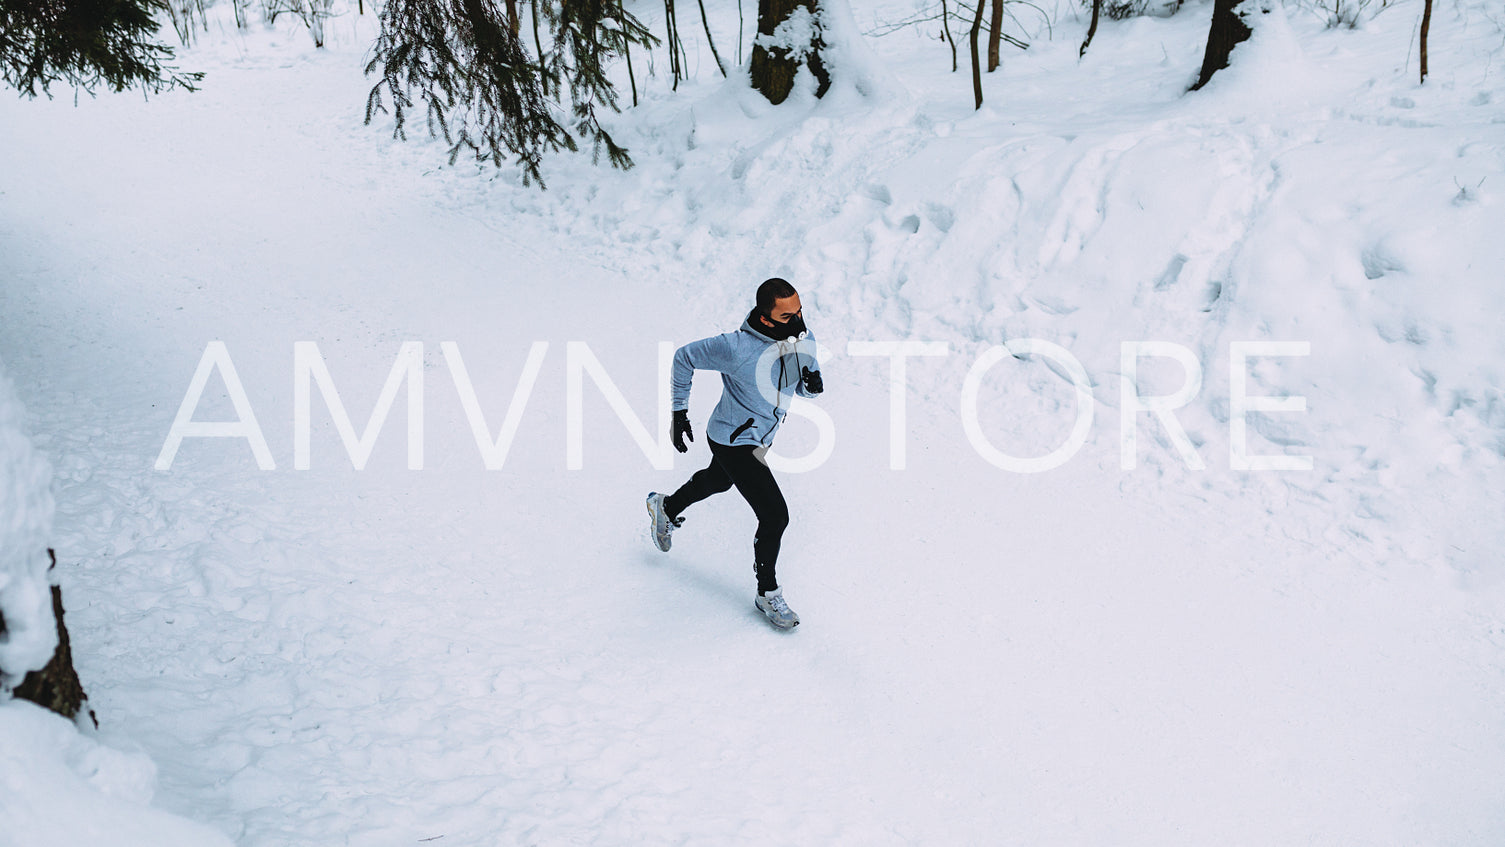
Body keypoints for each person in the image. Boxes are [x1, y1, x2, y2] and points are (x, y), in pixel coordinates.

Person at [645, 278, 825, 629]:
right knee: (774, 516)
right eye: (788, 316)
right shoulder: (736, 347)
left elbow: (801, 387)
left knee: (718, 481)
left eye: (800, 311)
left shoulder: (804, 341)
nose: (799, 321)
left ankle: (664, 507)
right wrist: (679, 412)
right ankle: (767, 593)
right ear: (766, 317)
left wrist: (811, 386)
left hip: (760, 437)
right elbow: (684, 357)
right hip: (732, 440)